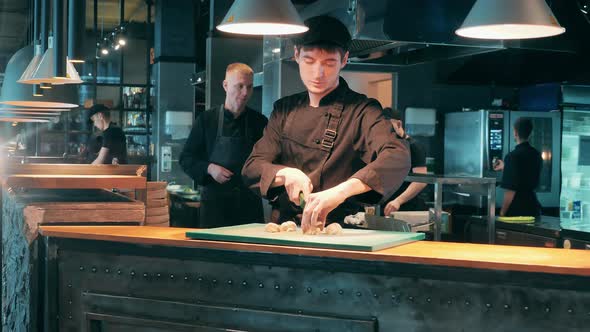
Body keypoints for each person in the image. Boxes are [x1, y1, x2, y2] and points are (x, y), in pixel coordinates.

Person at [241, 15, 410, 233]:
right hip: (286, 229)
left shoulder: (363, 110)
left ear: (345, 59)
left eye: (329, 63)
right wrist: (286, 174)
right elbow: (252, 168)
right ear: (296, 55)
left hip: (340, 231)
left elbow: (397, 157)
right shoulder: (284, 109)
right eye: (309, 61)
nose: (318, 73)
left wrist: (340, 192)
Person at [180, 63, 268, 227]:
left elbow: (269, 160)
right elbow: (186, 158)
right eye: (239, 86)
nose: (245, 93)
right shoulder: (207, 120)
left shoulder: (259, 122)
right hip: (215, 208)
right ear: (225, 85)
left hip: (249, 207)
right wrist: (209, 169)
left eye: (249, 87)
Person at [493, 117, 542, 217]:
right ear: (530, 133)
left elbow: (510, 191)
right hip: (533, 208)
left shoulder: (512, 156)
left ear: (515, 133)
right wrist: (506, 167)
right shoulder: (536, 154)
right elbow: (524, 172)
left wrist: (502, 213)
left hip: (516, 211)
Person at [382, 108, 428, 215]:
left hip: (409, 209)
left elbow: (421, 181)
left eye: (389, 126)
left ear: (399, 124)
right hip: (387, 208)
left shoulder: (414, 146)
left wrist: (398, 201)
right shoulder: (387, 147)